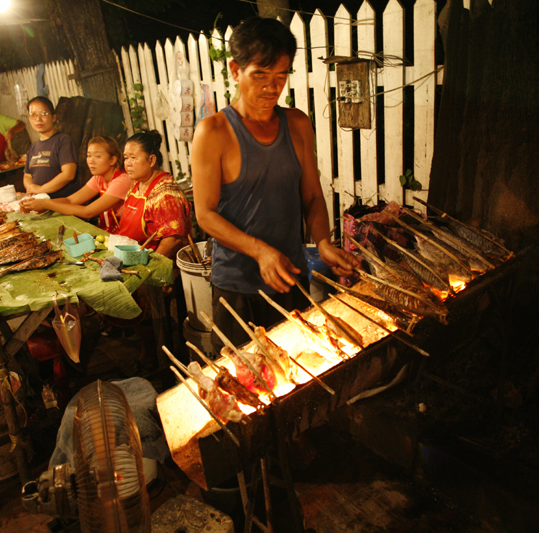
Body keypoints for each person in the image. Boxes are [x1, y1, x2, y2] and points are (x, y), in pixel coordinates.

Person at [190, 17, 361, 349]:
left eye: (281, 76)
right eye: (260, 75)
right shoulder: (213, 132)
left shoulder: (297, 124)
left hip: (290, 279)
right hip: (237, 289)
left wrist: (323, 242)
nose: (272, 87)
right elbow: (205, 215)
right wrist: (260, 252)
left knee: (294, 374)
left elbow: (311, 195)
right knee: (242, 385)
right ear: (235, 70)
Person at [20, 136, 131, 233]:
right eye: (88, 155)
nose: (91, 161)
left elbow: (88, 212)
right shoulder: (99, 179)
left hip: (126, 236)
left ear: (112, 160)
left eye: (97, 156)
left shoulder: (122, 181)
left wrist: (46, 204)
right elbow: (70, 200)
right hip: (110, 231)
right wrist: (36, 202)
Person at [119, 130, 191, 260]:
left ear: (151, 160)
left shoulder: (166, 193)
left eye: (133, 157)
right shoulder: (137, 185)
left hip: (154, 266)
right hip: (132, 258)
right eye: (126, 158)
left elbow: (172, 240)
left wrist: (151, 266)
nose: (128, 163)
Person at [22, 96, 78, 199]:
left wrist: (40, 189)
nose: (38, 119)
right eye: (33, 115)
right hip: (39, 203)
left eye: (43, 114)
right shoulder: (33, 147)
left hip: (61, 202)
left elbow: (68, 174)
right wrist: (31, 188)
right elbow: (27, 176)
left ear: (53, 117)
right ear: (29, 119)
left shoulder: (63, 140)